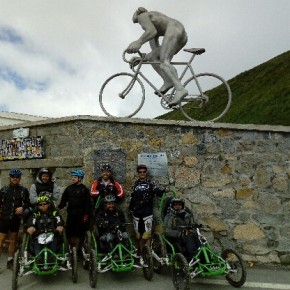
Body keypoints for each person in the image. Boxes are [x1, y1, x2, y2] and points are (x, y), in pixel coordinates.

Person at [126, 7, 188, 107]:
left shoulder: (143, 16)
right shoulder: (153, 26)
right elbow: (154, 54)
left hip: (175, 29)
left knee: (164, 62)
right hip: (180, 34)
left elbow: (151, 31)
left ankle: (180, 89)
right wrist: (142, 58)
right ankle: (168, 81)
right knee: (153, 59)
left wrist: (138, 42)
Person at [129, 164, 164, 255]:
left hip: (147, 213)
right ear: (138, 173)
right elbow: (132, 198)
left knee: (147, 235)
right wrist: (130, 209)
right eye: (140, 172)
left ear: (146, 173)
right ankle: (142, 256)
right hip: (136, 213)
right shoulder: (135, 184)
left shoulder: (151, 184)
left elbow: (158, 192)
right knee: (138, 236)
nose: (142, 173)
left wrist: (163, 190)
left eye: (144, 172)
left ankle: (148, 257)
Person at [0, 168, 30, 269]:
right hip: (4, 218)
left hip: (15, 219)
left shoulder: (23, 190)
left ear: (20, 178)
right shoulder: (3, 190)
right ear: (10, 178)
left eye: (17, 177)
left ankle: (10, 260)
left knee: (13, 240)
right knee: (1, 240)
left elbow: (28, 203)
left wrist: (23, 207)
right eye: (13, 177)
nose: (15, 179)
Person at [58, 169, 91, 251]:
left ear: (80, 178)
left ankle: (80, 248)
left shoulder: (84, 189)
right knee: (69, 231)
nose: (73, 179)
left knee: (80, 232)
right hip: (71, 214)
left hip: (81, 215)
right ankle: (70, 249)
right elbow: (63, 201)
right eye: (72, 177)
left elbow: (88, 203)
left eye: (75, 177)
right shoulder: (69, 189)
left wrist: (86, 214)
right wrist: (58, 208)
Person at [26, 195, 64, 261]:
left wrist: (59, 225)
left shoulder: (54, 213)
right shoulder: (35, 214)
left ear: (49, 204)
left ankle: (51, 259)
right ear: (38, 206)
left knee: (51, 255)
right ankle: (39, 259)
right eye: (40, 204)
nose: (42, 206)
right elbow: (32, 221)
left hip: (52, 234)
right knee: (39, 257)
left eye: (44, 204)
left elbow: (59, 219)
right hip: (38, 235)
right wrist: (31, 226)